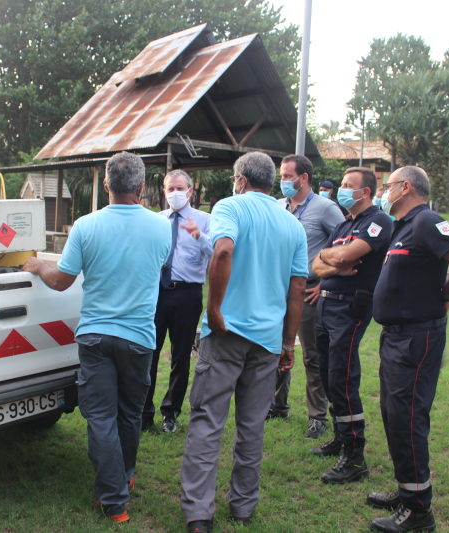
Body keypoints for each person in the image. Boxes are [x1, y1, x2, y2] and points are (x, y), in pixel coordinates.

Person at [22, 152, 171, 525]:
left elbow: (61, 281)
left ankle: (114, 501)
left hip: (96, 337)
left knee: (101, 417)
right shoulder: (161, 227)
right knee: (130, 413)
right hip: (139, 337)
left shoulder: (85, 226)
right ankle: (125, 476)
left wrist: (39, 264)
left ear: (105, 185)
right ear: (141, 188)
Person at [180, 152, 308, 532]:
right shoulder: (292, 224)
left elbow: (222, 250)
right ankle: (243, 507)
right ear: (271, 182)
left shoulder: (229, 207)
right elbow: (297, 288)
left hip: (227, 332)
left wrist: (214, 309)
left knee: (207, 421)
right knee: (252, 426)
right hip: (268, 342)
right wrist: (288, 344)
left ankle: (199, 514)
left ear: (240, 179)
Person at [367, 166, 449, 533]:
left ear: (407, 187)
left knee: (408, 417)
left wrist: (445, 295)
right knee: (393, 414)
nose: (384, 191)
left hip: (416, 336)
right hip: (397, 336)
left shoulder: (428, 220)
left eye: (388, 185)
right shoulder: (404, 225)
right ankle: (407, 490)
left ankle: (419, 513)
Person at [309, 167, 393, 484]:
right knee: (329, 375)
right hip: (326, 303)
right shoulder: (345, 224)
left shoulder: (378, 221)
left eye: (348, 185)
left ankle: (354, 455)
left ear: (366, 191)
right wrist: (334, 260)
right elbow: (318, 264)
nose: (342, 189)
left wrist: (334, 261)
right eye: (342, 184)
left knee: (343, 378)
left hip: (349, 308)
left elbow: (347, 257)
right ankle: (341, 437)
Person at [271, 154, 344, 441]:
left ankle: (317, 416)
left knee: (312, 356)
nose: (283, 181)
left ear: (304, 178)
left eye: (288, 176)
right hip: (277, 290)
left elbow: (344, 246)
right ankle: (277, 405)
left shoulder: (326, 209)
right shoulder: (277, 207)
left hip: (309, 291)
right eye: (282, 175)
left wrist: (324, 281)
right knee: (275, 348)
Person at [144, 169, 213, 434]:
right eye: (170, 188)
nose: (175, 193)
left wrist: (200, 236)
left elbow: (218, 253)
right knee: (149, 351)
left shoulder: (205, 220)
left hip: (188, 293)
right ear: (164, 191)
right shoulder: (156, 220)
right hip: (157, 292)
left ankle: (170, 412)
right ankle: (144, 412)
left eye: (179, 188)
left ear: (190, 191)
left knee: (180, 355)